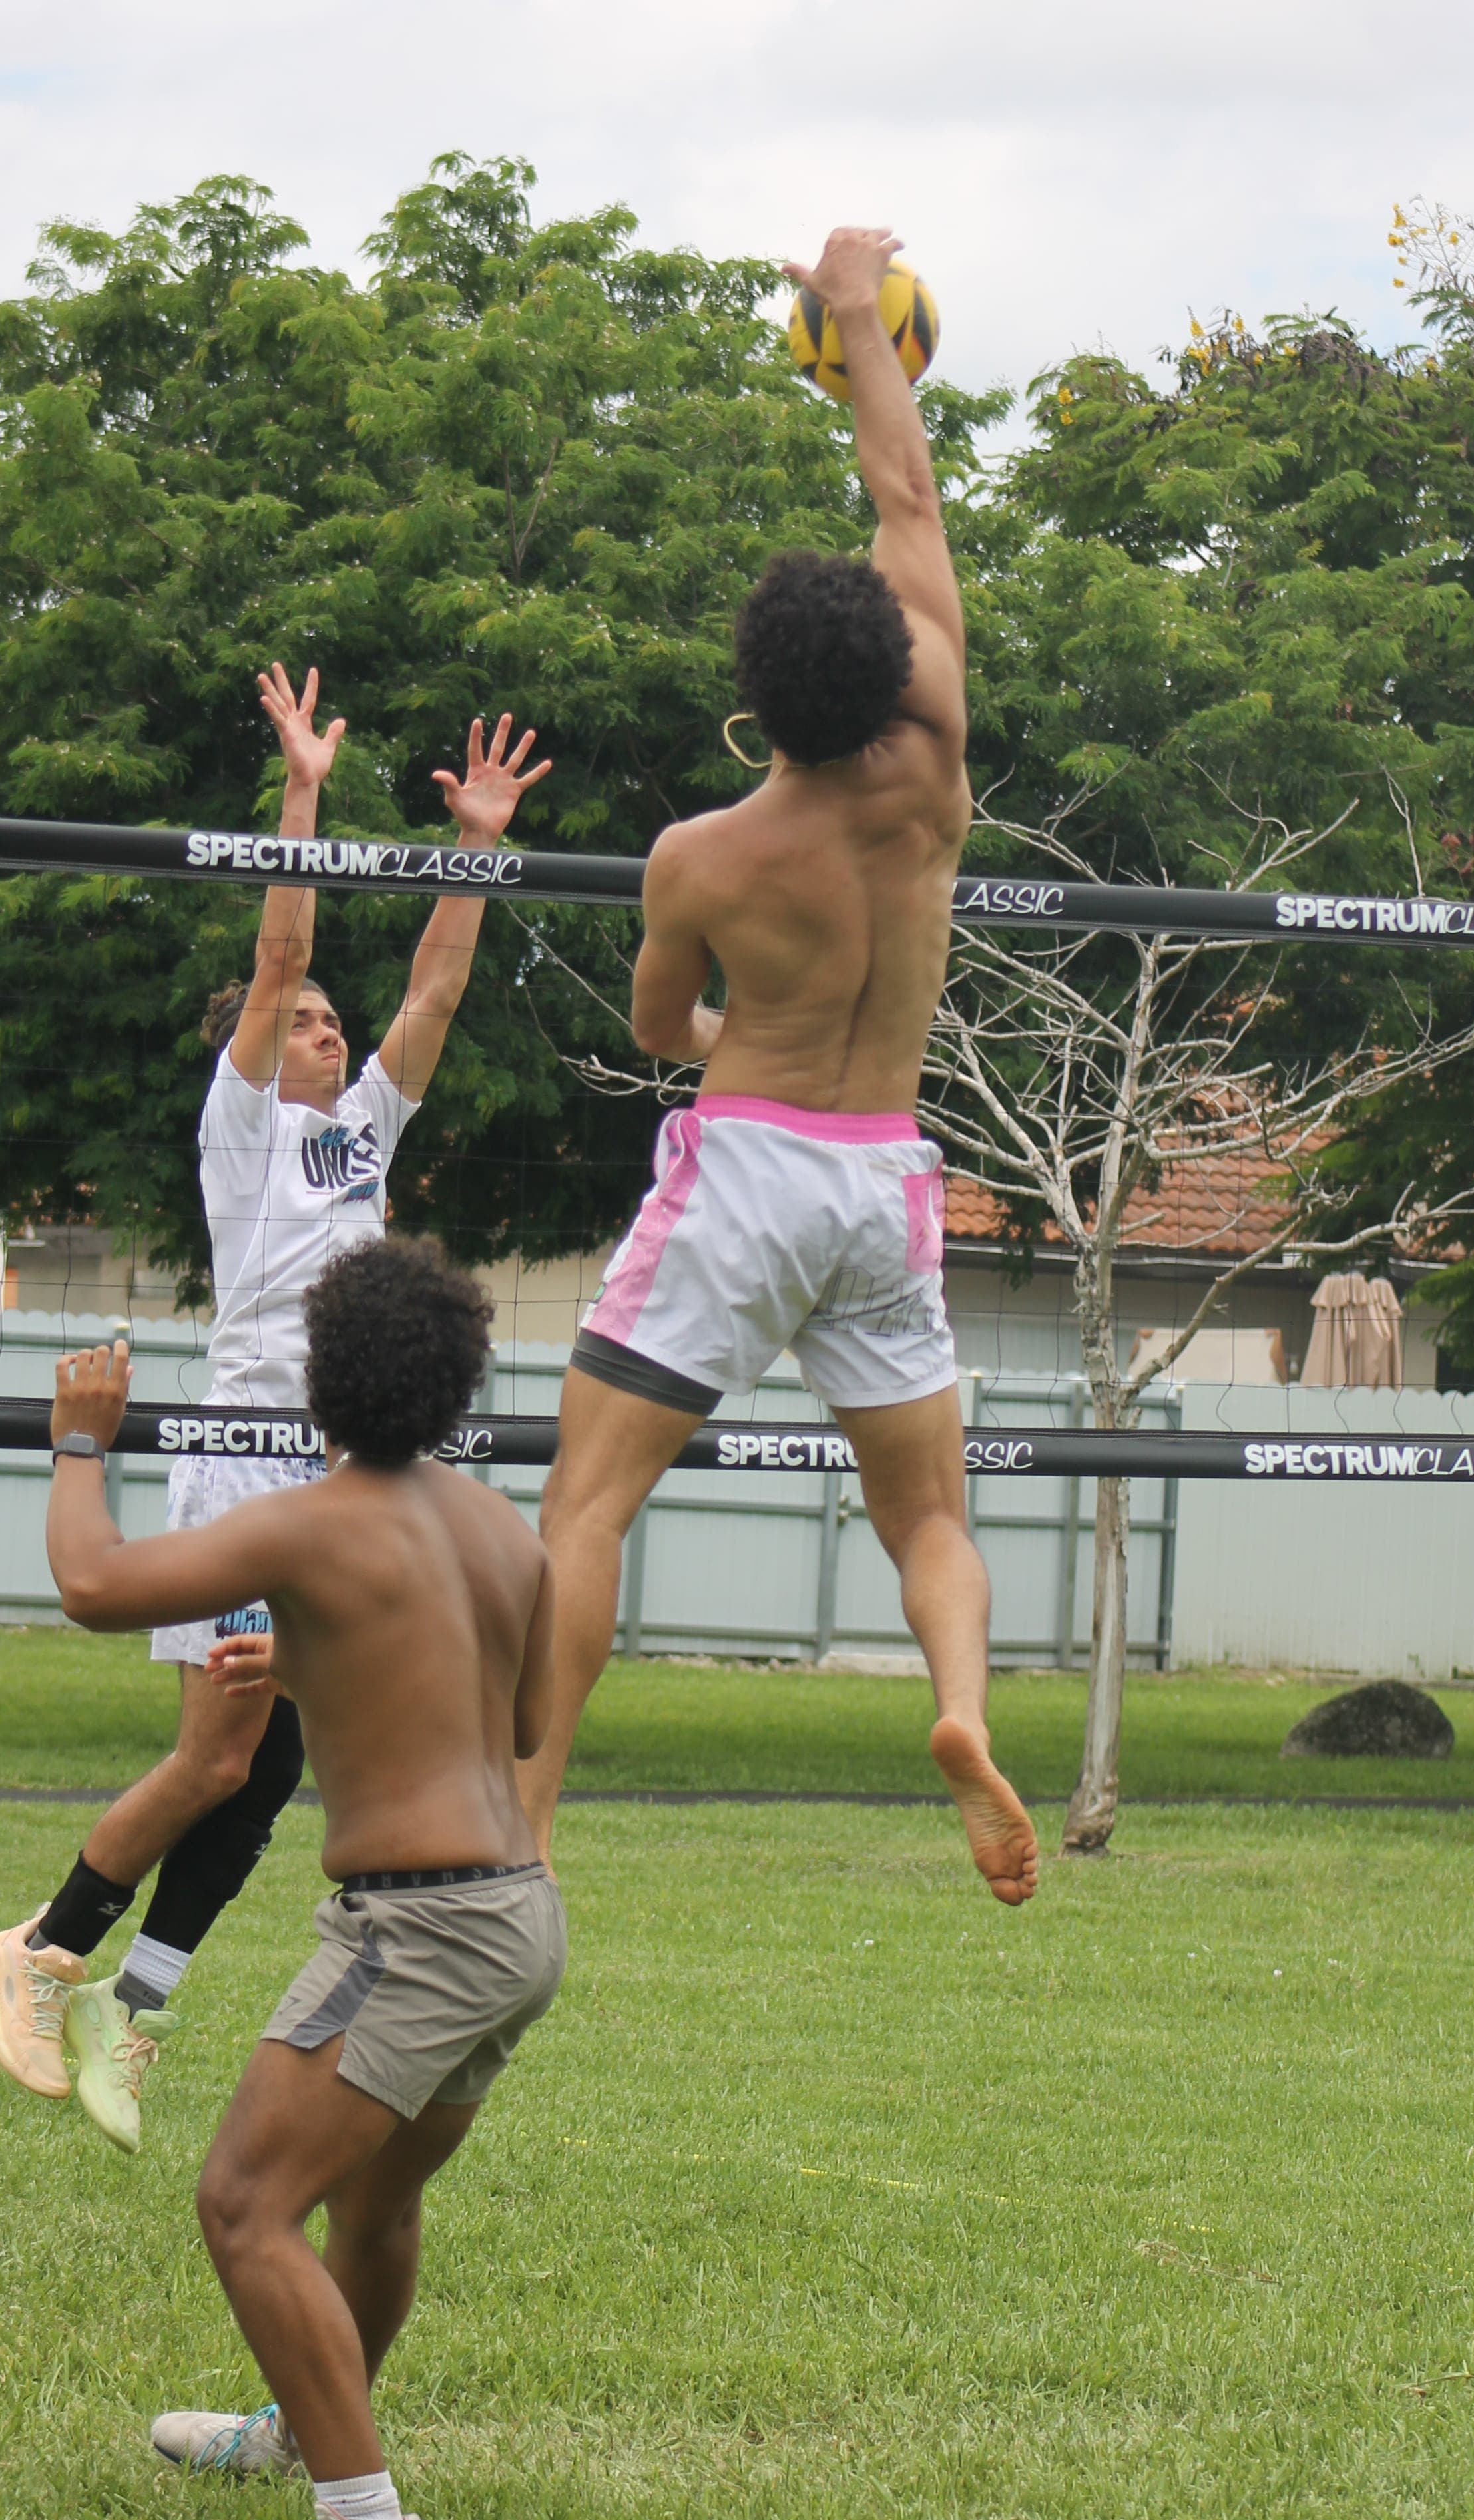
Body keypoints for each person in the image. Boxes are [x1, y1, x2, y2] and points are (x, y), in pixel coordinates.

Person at [517, 224, 1037, 1908]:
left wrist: (735, 1044)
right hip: (886, 1178)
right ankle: (956, 1713)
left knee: (584, 1508)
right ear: (886, 668)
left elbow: (655, 1033)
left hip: (746, 1167)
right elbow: (905, 493)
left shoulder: (702, 859)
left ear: (756, 700)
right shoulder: (938, 746)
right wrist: (848, 315)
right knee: (930, 1523)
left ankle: (525, 1811)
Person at [0, 666, 550, 2151]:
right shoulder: (247, 1132)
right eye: (301, 1020)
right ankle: (37, 1951)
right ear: (258, 1043)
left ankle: (139, 2003)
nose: (324, 1029)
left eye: (325, 1022)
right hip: (247, 1459)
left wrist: (474, 847)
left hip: (335, 1465)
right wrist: (303, 793)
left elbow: (431, 990)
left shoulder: (361, 1130)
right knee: (222, 1756)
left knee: (279, 1761)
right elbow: (284, 938)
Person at [42, 1237, 561, 2520]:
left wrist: (80, 1445)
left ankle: (363, 2519)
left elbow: (95, 1588)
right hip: (516, 1920)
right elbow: (516, 1721)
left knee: (241, 2203)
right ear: (458, 1381)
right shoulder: (506, 1534)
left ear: (321, 1381)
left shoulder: (307, 1523)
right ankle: (298, 2434)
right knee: (373, 2205)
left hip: (416, 1926)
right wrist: (325, 1649)